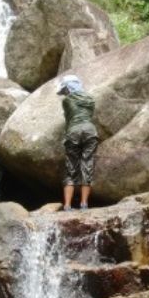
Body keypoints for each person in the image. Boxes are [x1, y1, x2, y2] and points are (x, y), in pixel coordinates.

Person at [56, 74, 98, 211]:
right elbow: (88, 114)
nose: (64, 93)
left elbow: (69, 119)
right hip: (90, 131)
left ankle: (67, 206)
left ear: (68, 88)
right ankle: (84, 204)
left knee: (71, 168)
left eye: (65, 90)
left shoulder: (66, 101)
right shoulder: (91, 99)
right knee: (88, 164)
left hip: (73, 131)